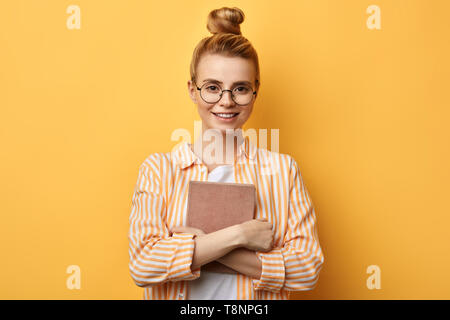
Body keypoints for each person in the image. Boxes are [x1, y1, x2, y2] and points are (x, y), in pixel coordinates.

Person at [128, 6, 324, 300]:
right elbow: (143, 265)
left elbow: (307, 269)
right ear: (193, 90)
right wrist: (240, 237)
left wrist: (199, 245)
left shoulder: (283, 171)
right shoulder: (159, 169)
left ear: (255, 91)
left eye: (240, 88)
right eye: (212, 87)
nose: (226, 101)